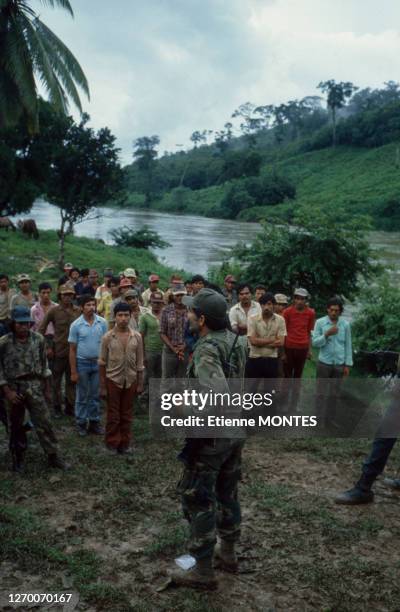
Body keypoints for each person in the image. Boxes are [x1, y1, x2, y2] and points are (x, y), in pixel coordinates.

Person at [170, 288, 247, 590]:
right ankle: (227, 554)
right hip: (234, 431)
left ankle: (202, 572)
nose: (187, 315)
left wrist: (182, 407)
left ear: (201, 319)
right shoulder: (238, 341)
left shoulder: (206, 348)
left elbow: (216, 394)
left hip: (212, 435)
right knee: (227, 493)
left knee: (199, 497)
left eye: (191, 312)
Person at [0, 306, 69, 472]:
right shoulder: (4, 342)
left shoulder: (38, 339)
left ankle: (53, 456)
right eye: (20, 323)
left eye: (27, 323)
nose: (24, 327)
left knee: (44, 422)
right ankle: (18, 457)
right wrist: (7, 392)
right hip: (14, 387)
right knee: (15, 425)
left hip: (35, 386)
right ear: (13, 324)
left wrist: (47, 389)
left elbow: (44, 365)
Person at [99, 303, 144, 455]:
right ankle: (112, 443)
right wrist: (103, 386)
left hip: (130, 380)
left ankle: (125, 444)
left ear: (131, 316)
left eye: (126, 315)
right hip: (113, 380)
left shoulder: (136, 337)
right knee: (113, 414)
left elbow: (140, 362)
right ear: (115, 317)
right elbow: (102, 363)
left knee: (126, 413)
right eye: (120, 315)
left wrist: (140, 383)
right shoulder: (107, 337)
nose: (123, 319)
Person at [68, 295, 108, 436]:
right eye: (88, 305)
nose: (91, 308)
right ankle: (81, 423)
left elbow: (106, 344)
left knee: (95, 394)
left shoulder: (102, 323)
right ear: (81, 307)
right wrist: (73, 371)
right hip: (82, 363)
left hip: (98, 362)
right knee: (82, 394)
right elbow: (72, 350)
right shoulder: (76, 325)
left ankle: (94, 422)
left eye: (93, 305)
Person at [39, 285, 80, 417]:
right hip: (58, 352)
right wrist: (47, 347)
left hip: (74, 352)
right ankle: (56, 407)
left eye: (70, 295)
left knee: (71, 381)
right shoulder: (53, 311)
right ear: (60, 296)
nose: (67, 297)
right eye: (64, 295)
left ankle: (70, 406)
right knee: (56, 382)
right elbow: (41, 329)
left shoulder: (78, 311)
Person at [312, 297, 353, 430]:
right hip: (324, 362)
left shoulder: (345, 325)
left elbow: (348, 344)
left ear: (340, 311)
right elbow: (315, 343)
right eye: (331, 310)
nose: (334, 312)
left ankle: (330, 420)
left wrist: (347, 364)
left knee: (334, 394)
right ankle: (318, 420)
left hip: (339, 363)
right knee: (321, 392)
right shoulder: (320, 322)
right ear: (327, 310)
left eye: (337, 310)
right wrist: (326, 334)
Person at [283, 288, 315, 410]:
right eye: (297, 298)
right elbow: (283, 332)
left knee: (297, 376)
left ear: (306, 300)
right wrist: (283, 352)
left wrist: (309, 350)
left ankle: (293, 404)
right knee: (287, 376)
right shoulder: (287, 312)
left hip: (302, 347)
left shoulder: (311, 313)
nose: (300, 301)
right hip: (289, 347)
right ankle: (284, 402)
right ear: (294, 299)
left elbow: (309, 332)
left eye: (302, 299)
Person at [247, 292, 287, 379]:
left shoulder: (280, 320)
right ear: (260, 305)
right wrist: (273, 340)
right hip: (255, 357)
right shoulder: (252, 319)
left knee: (270, 389)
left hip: (272, 359)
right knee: (251, 389)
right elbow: (253, 341)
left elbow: (281, 342)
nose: (266, 307)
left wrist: (259, 341)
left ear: (274, 305)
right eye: (263, 304)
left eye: (269, 304)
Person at [160, 283, 188, 380]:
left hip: (185, 350)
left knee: (182, 380)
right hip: (169, 351)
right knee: (167, 380)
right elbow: (162, 332)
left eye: (182, 295)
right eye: (178, 295)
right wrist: (173, 348)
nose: (180, 297)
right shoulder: (166, 310)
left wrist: (185, 345)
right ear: (173, 296)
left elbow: (194, 331)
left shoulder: (190, 310)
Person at [274, 294, 288, 378]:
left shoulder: (286, 316)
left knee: (281, 371)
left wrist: (284, 352)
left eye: (283, 305)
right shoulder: (269, 315)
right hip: (270, 347)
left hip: (284, 347)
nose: (280, 307)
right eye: (278, 304)